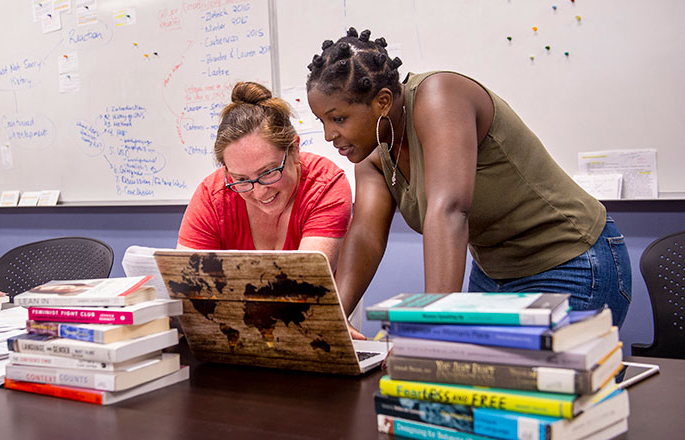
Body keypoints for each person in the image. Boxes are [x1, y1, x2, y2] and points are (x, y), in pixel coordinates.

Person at [305, 28, 632, 329]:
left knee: (536, 386)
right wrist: (333, 320)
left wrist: (429, 327)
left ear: (383, 102)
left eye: (338, 119)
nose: (329, 134)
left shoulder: (439, 95)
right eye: (322, 121)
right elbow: (365, 236)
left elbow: (448, 210)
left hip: (569, 261)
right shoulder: (374, 151)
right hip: (494, 275)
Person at [177, 81, 362, 328]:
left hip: (312, 321)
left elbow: (300, 285)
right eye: (241, 179)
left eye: (268, 172)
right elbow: (188, 286)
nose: (259, 191)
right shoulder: (213, 194)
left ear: (294, 150)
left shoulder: (325, 184)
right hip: (235, 329)